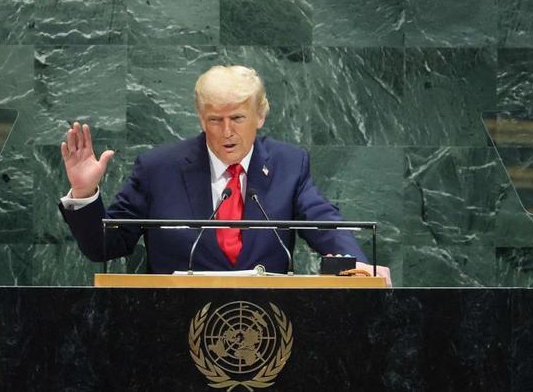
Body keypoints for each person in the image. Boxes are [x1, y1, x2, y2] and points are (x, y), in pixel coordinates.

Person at [58, 65, 389, 282]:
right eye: (215, 120)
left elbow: (324, 223)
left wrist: (356, 265)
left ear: (260, 116)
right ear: (201, 119)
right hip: (170, 326)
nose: (227, 132)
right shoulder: (158, 169)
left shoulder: (289, 164)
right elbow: (104, 247)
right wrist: (85, 194)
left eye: (238, 119)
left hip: (270, 324)